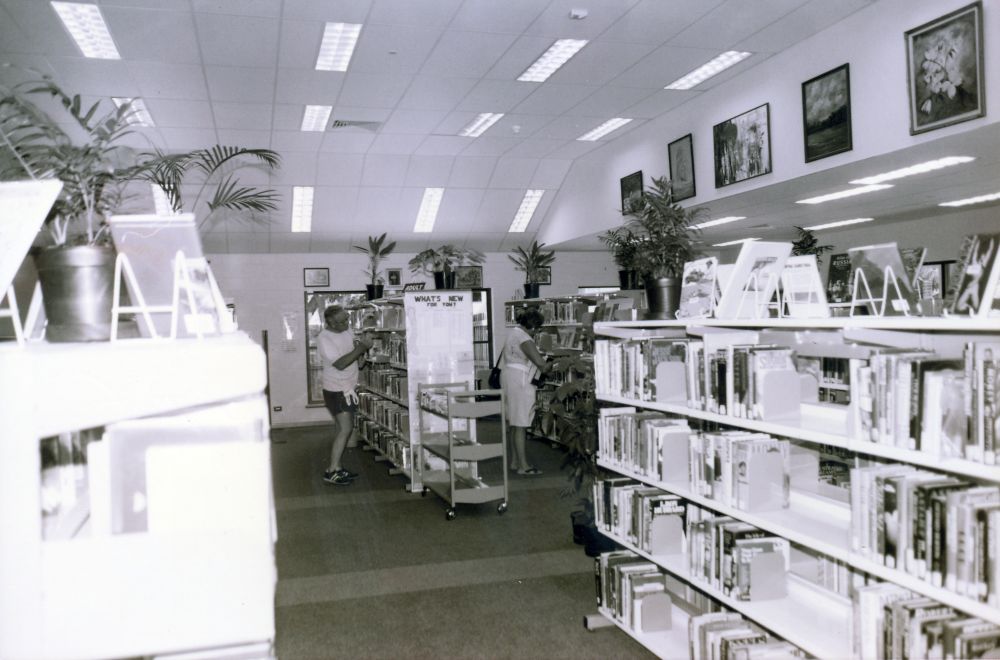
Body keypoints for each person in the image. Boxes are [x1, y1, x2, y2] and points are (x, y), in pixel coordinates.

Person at [318, 305, 373, 485]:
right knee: (345, 429)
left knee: (342, 429)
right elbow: (340, 364)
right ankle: (331, 470)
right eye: (342, 321)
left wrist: (362, 353)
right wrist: (361, 348)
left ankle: (338, 468)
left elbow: (353, 355)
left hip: (347, 388)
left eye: (347, 319)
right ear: (331, 323)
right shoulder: (324, 338)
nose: (347, 323)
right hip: (337, 390)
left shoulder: (347, 330)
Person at [501, 307, 550, 476]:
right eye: (537, 328)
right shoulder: (524, 338)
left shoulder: (513, 333)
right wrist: (555, 361)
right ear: (533, 326)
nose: (537, 332)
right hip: (520, 380)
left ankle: (515, 461)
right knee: (521, 423)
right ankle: (524, 466)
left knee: (514, 422)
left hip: (509, 377)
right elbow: (541, 365)